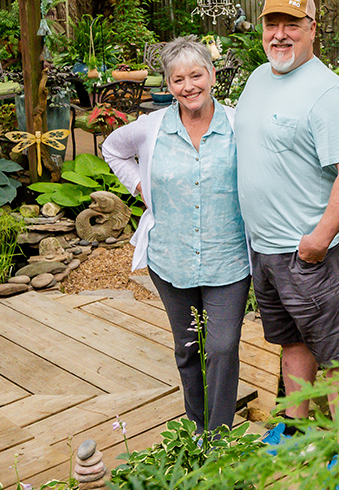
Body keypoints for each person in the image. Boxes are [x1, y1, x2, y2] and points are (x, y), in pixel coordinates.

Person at [235, 0, 339, 423]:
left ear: (312, 29)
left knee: (335, 354)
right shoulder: (258, 78)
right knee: (290, 342)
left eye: (291, 24)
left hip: (306, 253)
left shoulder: (327, 94)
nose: (280, 34)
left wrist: (318, 241)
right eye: (272, 24)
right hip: (265, 248)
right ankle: (296, 431)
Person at [104, 36, 247, 432]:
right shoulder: (151, 129)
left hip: (229, 259)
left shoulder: (239, 126)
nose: (189, 86)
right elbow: (112, 150)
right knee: (187, 347)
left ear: (212, 75)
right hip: (170, 257)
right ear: (168, 85)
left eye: (196, 75)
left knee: (221, 347)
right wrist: (141, 187)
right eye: (178, 79)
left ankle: (218, 436)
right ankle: (196, 426)